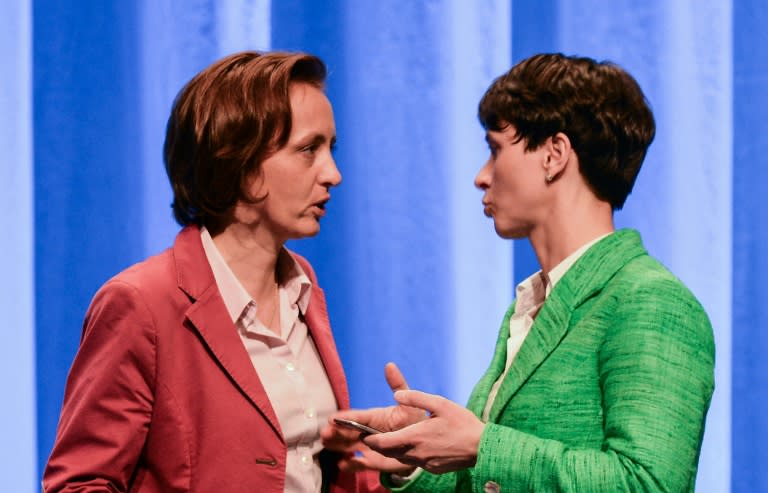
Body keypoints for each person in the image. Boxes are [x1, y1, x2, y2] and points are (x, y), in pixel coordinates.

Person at [322, 53, 715, 492]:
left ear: (554, 154)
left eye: (494, 149)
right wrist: (411, 453)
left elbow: (648, 484)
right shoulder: (534, 303)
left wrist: (482, 445)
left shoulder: (650, 300)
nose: (481, 176)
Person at [43, 51, 382, 493]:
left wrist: (395, 457)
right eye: (307, 150)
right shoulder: (140, 303)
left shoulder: (304, 286)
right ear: (240, 164)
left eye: (330, 149)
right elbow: (79, 484)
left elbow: (311, 469)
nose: (333, 174)